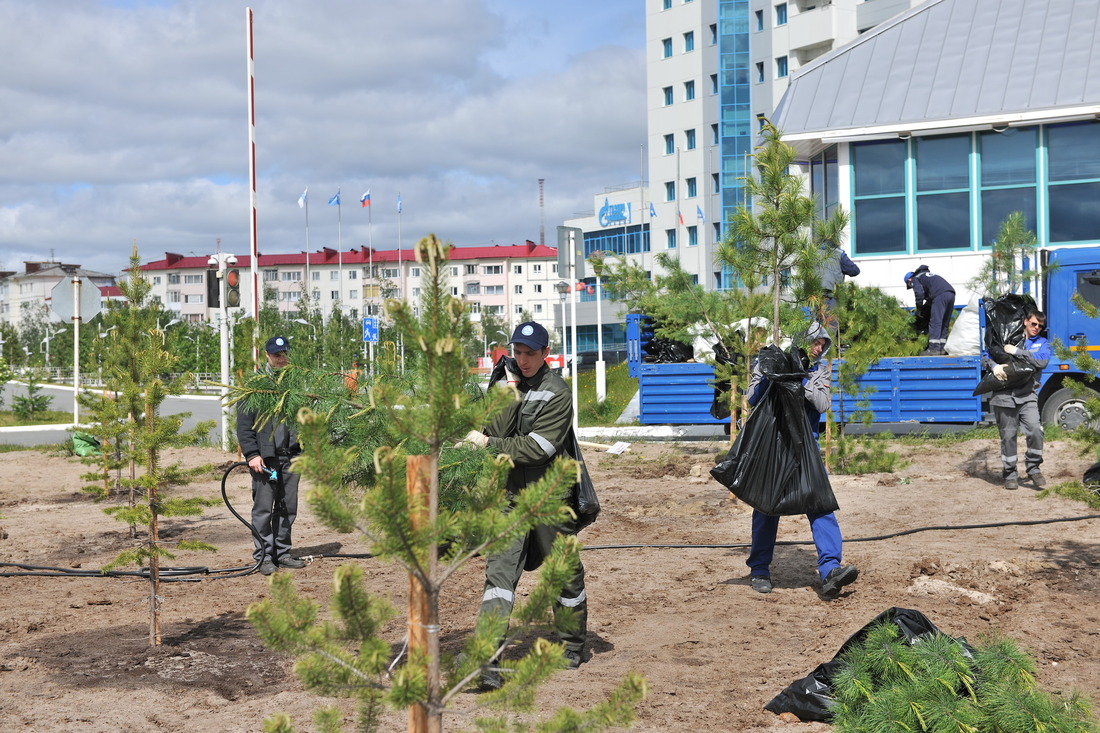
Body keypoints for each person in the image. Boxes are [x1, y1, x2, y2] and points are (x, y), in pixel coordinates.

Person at [462, 320, 588, 687]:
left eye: (530, 353)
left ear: (545, 353)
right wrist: (509, 391)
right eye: (517, 352)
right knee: (499, 578)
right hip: (510, 499)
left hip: (550, 497)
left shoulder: (557, 392)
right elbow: (497, 430)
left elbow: (539, 449)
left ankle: (572, 644)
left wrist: (490, 447)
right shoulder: (507, 381)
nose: (523, 359)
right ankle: (487, 664)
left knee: (564, 575)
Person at [744, 322, 858, 598]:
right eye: (816, 342)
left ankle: (830, 570)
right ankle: (759, 570)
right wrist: (773, 374)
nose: (819, 348)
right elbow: (751, 398)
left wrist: (800, 378)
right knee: (766, 508)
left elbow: (822, 403)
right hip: (774, 447)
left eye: (823, 344)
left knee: (820, 505)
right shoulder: (770, 361)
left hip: (806, 448)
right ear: (802, 339)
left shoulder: (819, 370)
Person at [236, 335, 305, 576]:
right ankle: (264, 556)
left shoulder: (296, 383)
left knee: (288, 508)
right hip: (265, 459)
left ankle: (283, 553)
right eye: (276, 355)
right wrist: (252, 454)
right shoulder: (256, 385)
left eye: (284, 353)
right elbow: (244, 426)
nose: (281, 358)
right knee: (264, 509)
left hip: (292, 457)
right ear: (267, 355)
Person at [987, 310, 1052, 490]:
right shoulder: (1006, 336)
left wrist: (1018, 352)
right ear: (1025, 322)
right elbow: (986, 356)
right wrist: (993, 366)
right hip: (1004, 397)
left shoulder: (1041, 343)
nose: (1037, 328)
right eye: (1033, 324)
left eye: (1040, 326)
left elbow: (1042, 362)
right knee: (1008, 436)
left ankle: (1033, 468)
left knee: (1035, 430)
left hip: (1027, 395)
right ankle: (1010, 474)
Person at [904, 265, 956, 355]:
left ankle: (933, 349)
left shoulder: (915, 279)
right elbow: (930, 296)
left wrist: (919, 309)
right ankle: (942, 349)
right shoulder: (926, 275)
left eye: (910, 286)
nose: (912, 287)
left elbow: (919, 293)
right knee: (944, 322)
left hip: (940, 295)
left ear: (909, 280)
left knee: (935, 322)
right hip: (951, 293)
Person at [818, 244, 860, 321]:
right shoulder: (838, 253)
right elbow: (854, 270)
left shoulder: (810, 253)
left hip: (810, 297)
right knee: (830, 325)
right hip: (830, 296)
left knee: (810, 328)